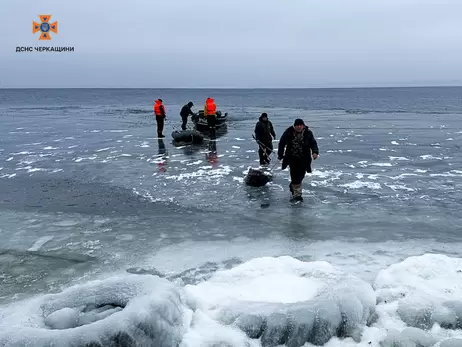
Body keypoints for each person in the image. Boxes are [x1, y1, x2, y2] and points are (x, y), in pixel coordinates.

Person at [277, 118, 319, 201]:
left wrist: (315, 152)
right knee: (294, 176)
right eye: (297, 125)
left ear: (303, 126)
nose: (299, 127)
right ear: (294, 126)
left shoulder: (308, 133)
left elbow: (313, 143)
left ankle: (293, 186)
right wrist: (280, 154)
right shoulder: (289, 132)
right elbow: (282, 143)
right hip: (292, 158)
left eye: (300, 125)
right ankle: (297, 195)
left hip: (304, 159)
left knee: (301, 176)